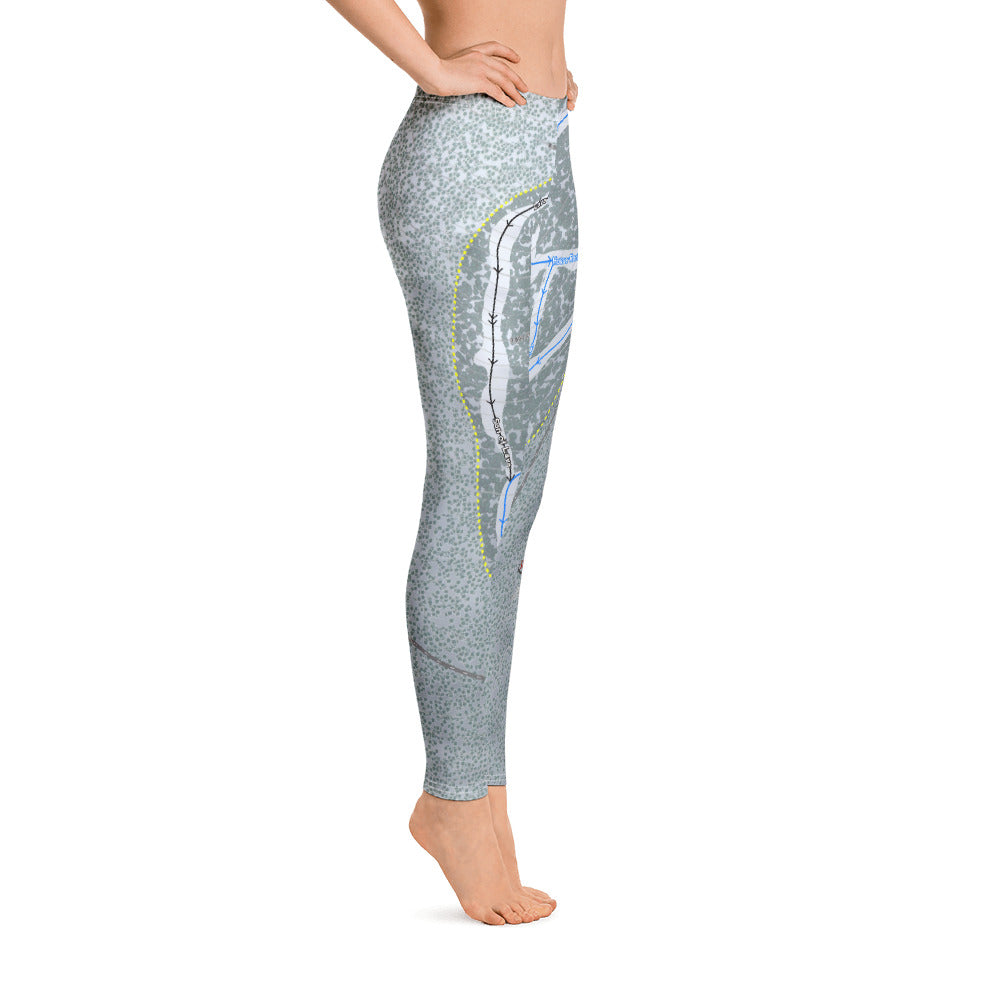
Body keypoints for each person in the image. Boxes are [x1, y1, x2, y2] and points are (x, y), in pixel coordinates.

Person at [325, 0, 579, 925]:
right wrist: (432, 69)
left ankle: (485, 790)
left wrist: (552, 68)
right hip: (474, 162)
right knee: (480, 488)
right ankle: (454, 799)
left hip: (533, 147)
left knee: (510, 497)